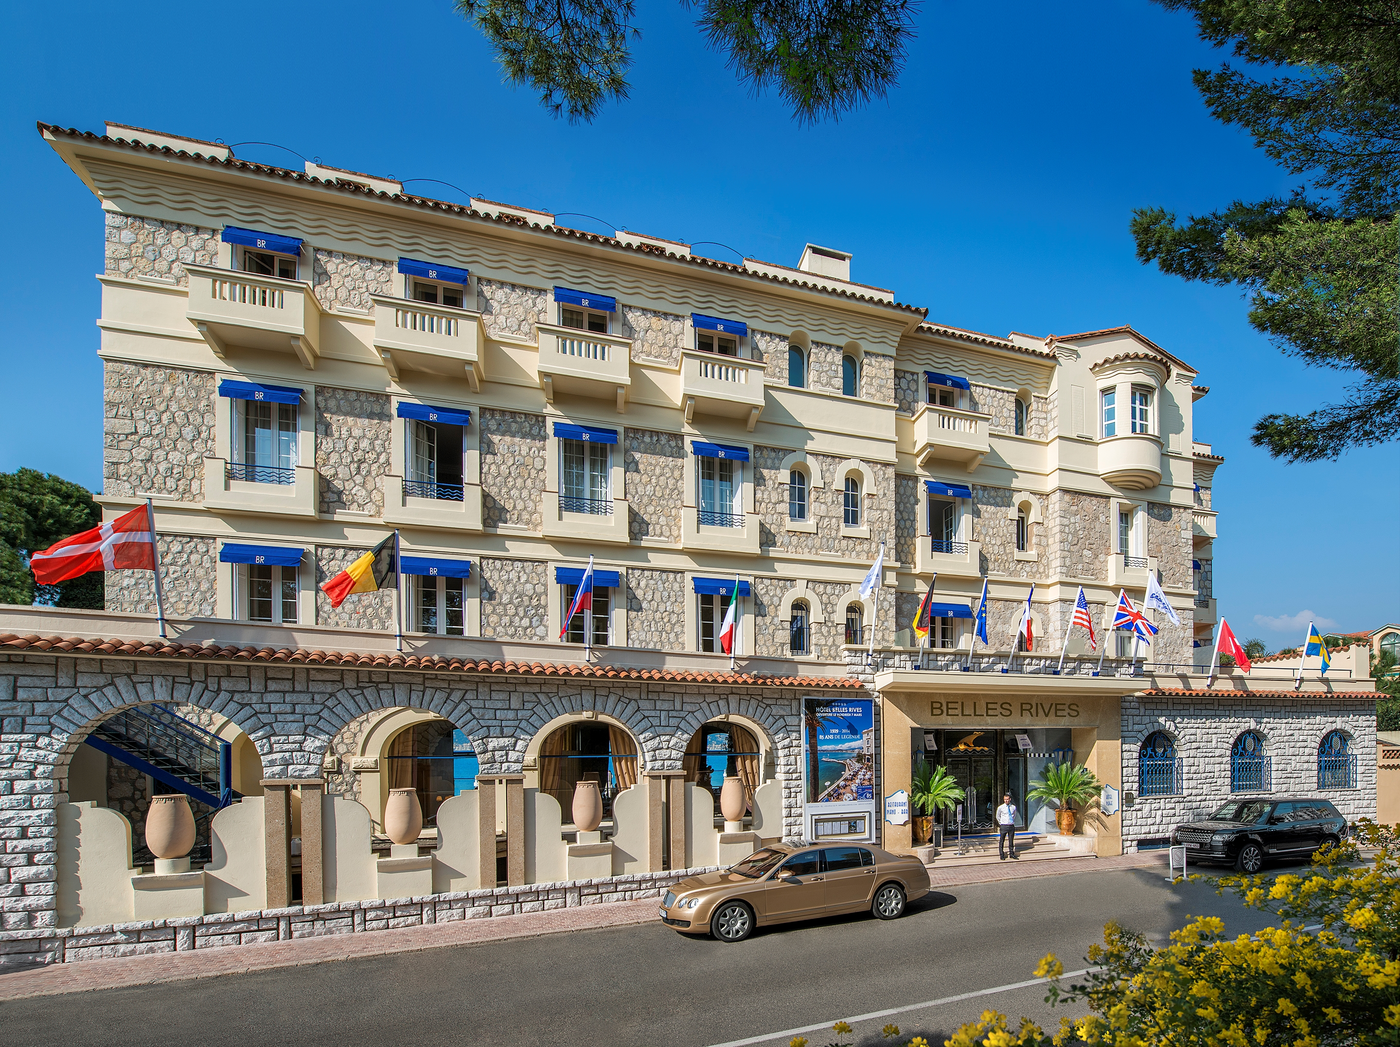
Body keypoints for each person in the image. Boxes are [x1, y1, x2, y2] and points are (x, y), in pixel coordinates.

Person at [996, 792, 1019, 860]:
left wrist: (1011, 821)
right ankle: (1001, 854)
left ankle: (1011, 853)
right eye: (1005, 799)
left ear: (1010, 799)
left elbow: (1014, 815)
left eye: (1007, 799)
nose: (1006, 801)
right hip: (1004, 826)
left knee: (1011, 840)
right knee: (1002, 840)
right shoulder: (1001, 807)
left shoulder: (1013, 807)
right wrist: (1001, 822)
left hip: (1011, 825)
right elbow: (998, 816)